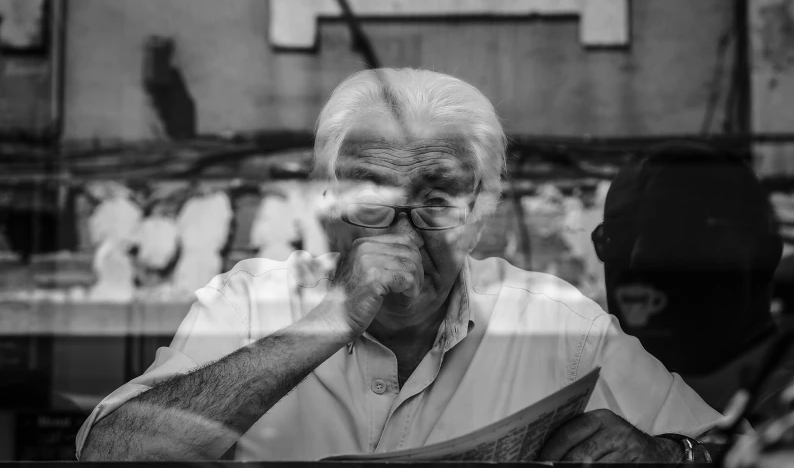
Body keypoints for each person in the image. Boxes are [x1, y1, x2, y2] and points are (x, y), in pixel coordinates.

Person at [78, 69, 722, 463]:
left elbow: (741, 453)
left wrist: (667, 455)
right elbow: (111, 455)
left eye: (438, 200)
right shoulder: (247, 302)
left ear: (484, 209)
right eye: (372, 201)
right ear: (327, 202)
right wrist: (328, 321)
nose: (405, 234)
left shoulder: (556, 324)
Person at [592, 141, 793, 424]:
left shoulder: (781, 400)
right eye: (618, 236)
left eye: (674, 232)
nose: (638, 258)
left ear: (763, 255)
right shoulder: (591, 389)